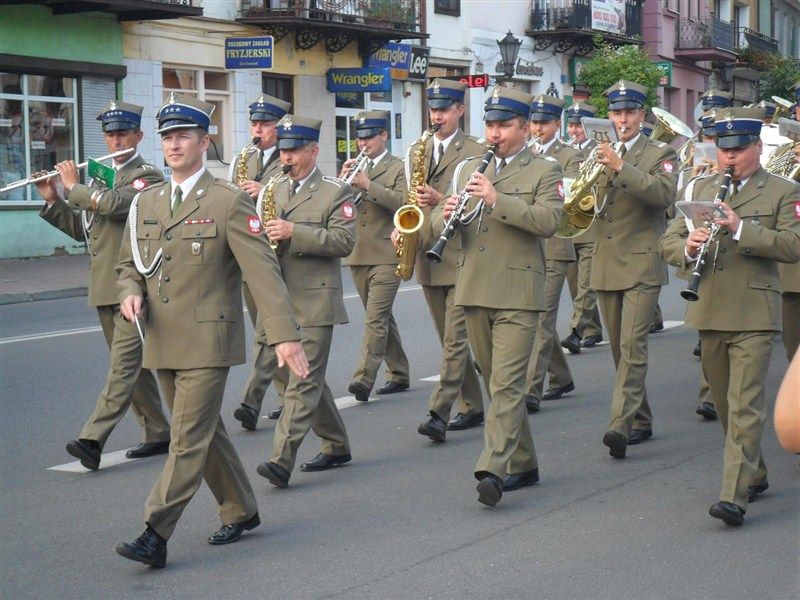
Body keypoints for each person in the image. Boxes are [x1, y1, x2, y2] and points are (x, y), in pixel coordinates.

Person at [115, 94, 308, 567]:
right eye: (167, 137)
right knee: (205, 432)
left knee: (185, 438)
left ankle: (154, 532)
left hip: (208, 340)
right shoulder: (147, 201)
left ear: (205, 142)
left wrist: (284, 335)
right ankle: (240, 509)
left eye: (183, 136)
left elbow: (263, 272)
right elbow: (129, 264)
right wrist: (128, 290)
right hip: (160, 338)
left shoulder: (228, 201)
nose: (174, 144)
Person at [659, 107, 800, 525]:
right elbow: (667, 240)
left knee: (744, 406)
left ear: (757, 147)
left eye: (738, 150)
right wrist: (687, 246)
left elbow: (793, 246)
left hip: (755, 311)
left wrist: (740, 228)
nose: (729, 158)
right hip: (709, 307)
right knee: (723, 404)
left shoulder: (782, 191)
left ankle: (733, 495)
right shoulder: (701, 185)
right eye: (724, 150)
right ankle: (753, 472)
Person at [431, 85, 562, 505]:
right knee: (494, 382)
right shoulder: (468, 165)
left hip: (518, 292)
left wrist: (496, 197)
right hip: (474, 286)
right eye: (490, 125)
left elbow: (548, 221)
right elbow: (438, 220)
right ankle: (525, 462)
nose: (495, 133)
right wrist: (445, 214)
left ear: (525, 128)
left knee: (507, 385)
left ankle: (493, 466)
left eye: (504, 125)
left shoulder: (545, 170)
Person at [36, 100, 170, 471]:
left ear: (138, 136)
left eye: (122, 133)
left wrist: (73, 187)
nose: (115, 140)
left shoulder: (147, 176)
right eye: (110, 134)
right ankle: (158, 432)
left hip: (134, 286)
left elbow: (112, 206)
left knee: (122, 367)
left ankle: (91, 439)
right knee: (133, 367)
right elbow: (86, 231)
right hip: (104, 287)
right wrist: (55, 200)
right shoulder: (99, 178)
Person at [255, 115, 356, 488]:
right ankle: (336, 443)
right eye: (283, 150)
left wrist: (295, 231)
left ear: (314, 150)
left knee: (301, 384)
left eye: (295, 150)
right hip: (278, 300)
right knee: (295, 377)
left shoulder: (335, 191)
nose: (287, 157)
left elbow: (344, 242)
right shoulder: (272, 188)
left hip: (315, 301)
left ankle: (281, 459)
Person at [591, 80, 678, 459]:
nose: (622, 119)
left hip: (643, 260)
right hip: (606, 261)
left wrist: (620, 166)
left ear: (642, 114)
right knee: (617, 349)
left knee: (632, 347)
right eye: (616, 113)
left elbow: (662, 195)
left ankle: (620, 425)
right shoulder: (594, 152)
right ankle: (641, 418)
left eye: (629, 112)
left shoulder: (661, 151)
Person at [404, 79, 485, 442]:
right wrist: (402, 231)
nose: (438, 116)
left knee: (455, 339)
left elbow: (477, 202)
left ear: (460, 110)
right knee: (447, 339)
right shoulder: (416, 149)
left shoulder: (477, 149)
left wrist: (441, 198)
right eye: (433, 110)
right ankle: (474, 405)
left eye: (445, 109)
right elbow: (409, 202)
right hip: (428, 255)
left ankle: (439, 410)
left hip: (460, 253)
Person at [340, 110, 411, 403]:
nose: (363, 143)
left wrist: (369, 185)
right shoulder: (353, 167)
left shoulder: (397, 167)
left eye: (369, 137)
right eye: (360, 138)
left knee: (375, 318)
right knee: (381, 318)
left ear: (384, 135)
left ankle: (363, 378)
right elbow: (339, 207)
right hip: (358, 253)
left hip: (386, 252)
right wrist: (342, 183)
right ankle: (399, 372)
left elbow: (405, 205)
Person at [231, 93, 291, 429]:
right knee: (265, 329)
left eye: (265, 124)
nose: (258, 130)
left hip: (276, 254)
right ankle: (289, 398)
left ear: (279, 128)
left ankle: (251, 401)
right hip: (248, 250)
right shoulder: (244, 158)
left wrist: (264, 186)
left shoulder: (289, 157)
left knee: (268, 332)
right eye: (255, 124)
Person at [523, 94, 581, 411]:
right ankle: (560, 376)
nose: (537, 129)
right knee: (535, 314)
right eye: (533, 123)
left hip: (557, 244)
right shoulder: (524, 153)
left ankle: (532, 389)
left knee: (541, 318)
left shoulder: (569, 155)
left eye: (543, 124)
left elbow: (567, 198)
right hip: (529, 242)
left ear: (556, 124)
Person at [563, 101, 604, 352]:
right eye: (571, 125)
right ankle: (594, 329)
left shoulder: (600, 150)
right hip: (570, 227)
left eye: (579, 125)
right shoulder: (565, 150)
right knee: (576, 283)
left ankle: (576, 331)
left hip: (592, 226)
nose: (574, 130)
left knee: (586, 284)